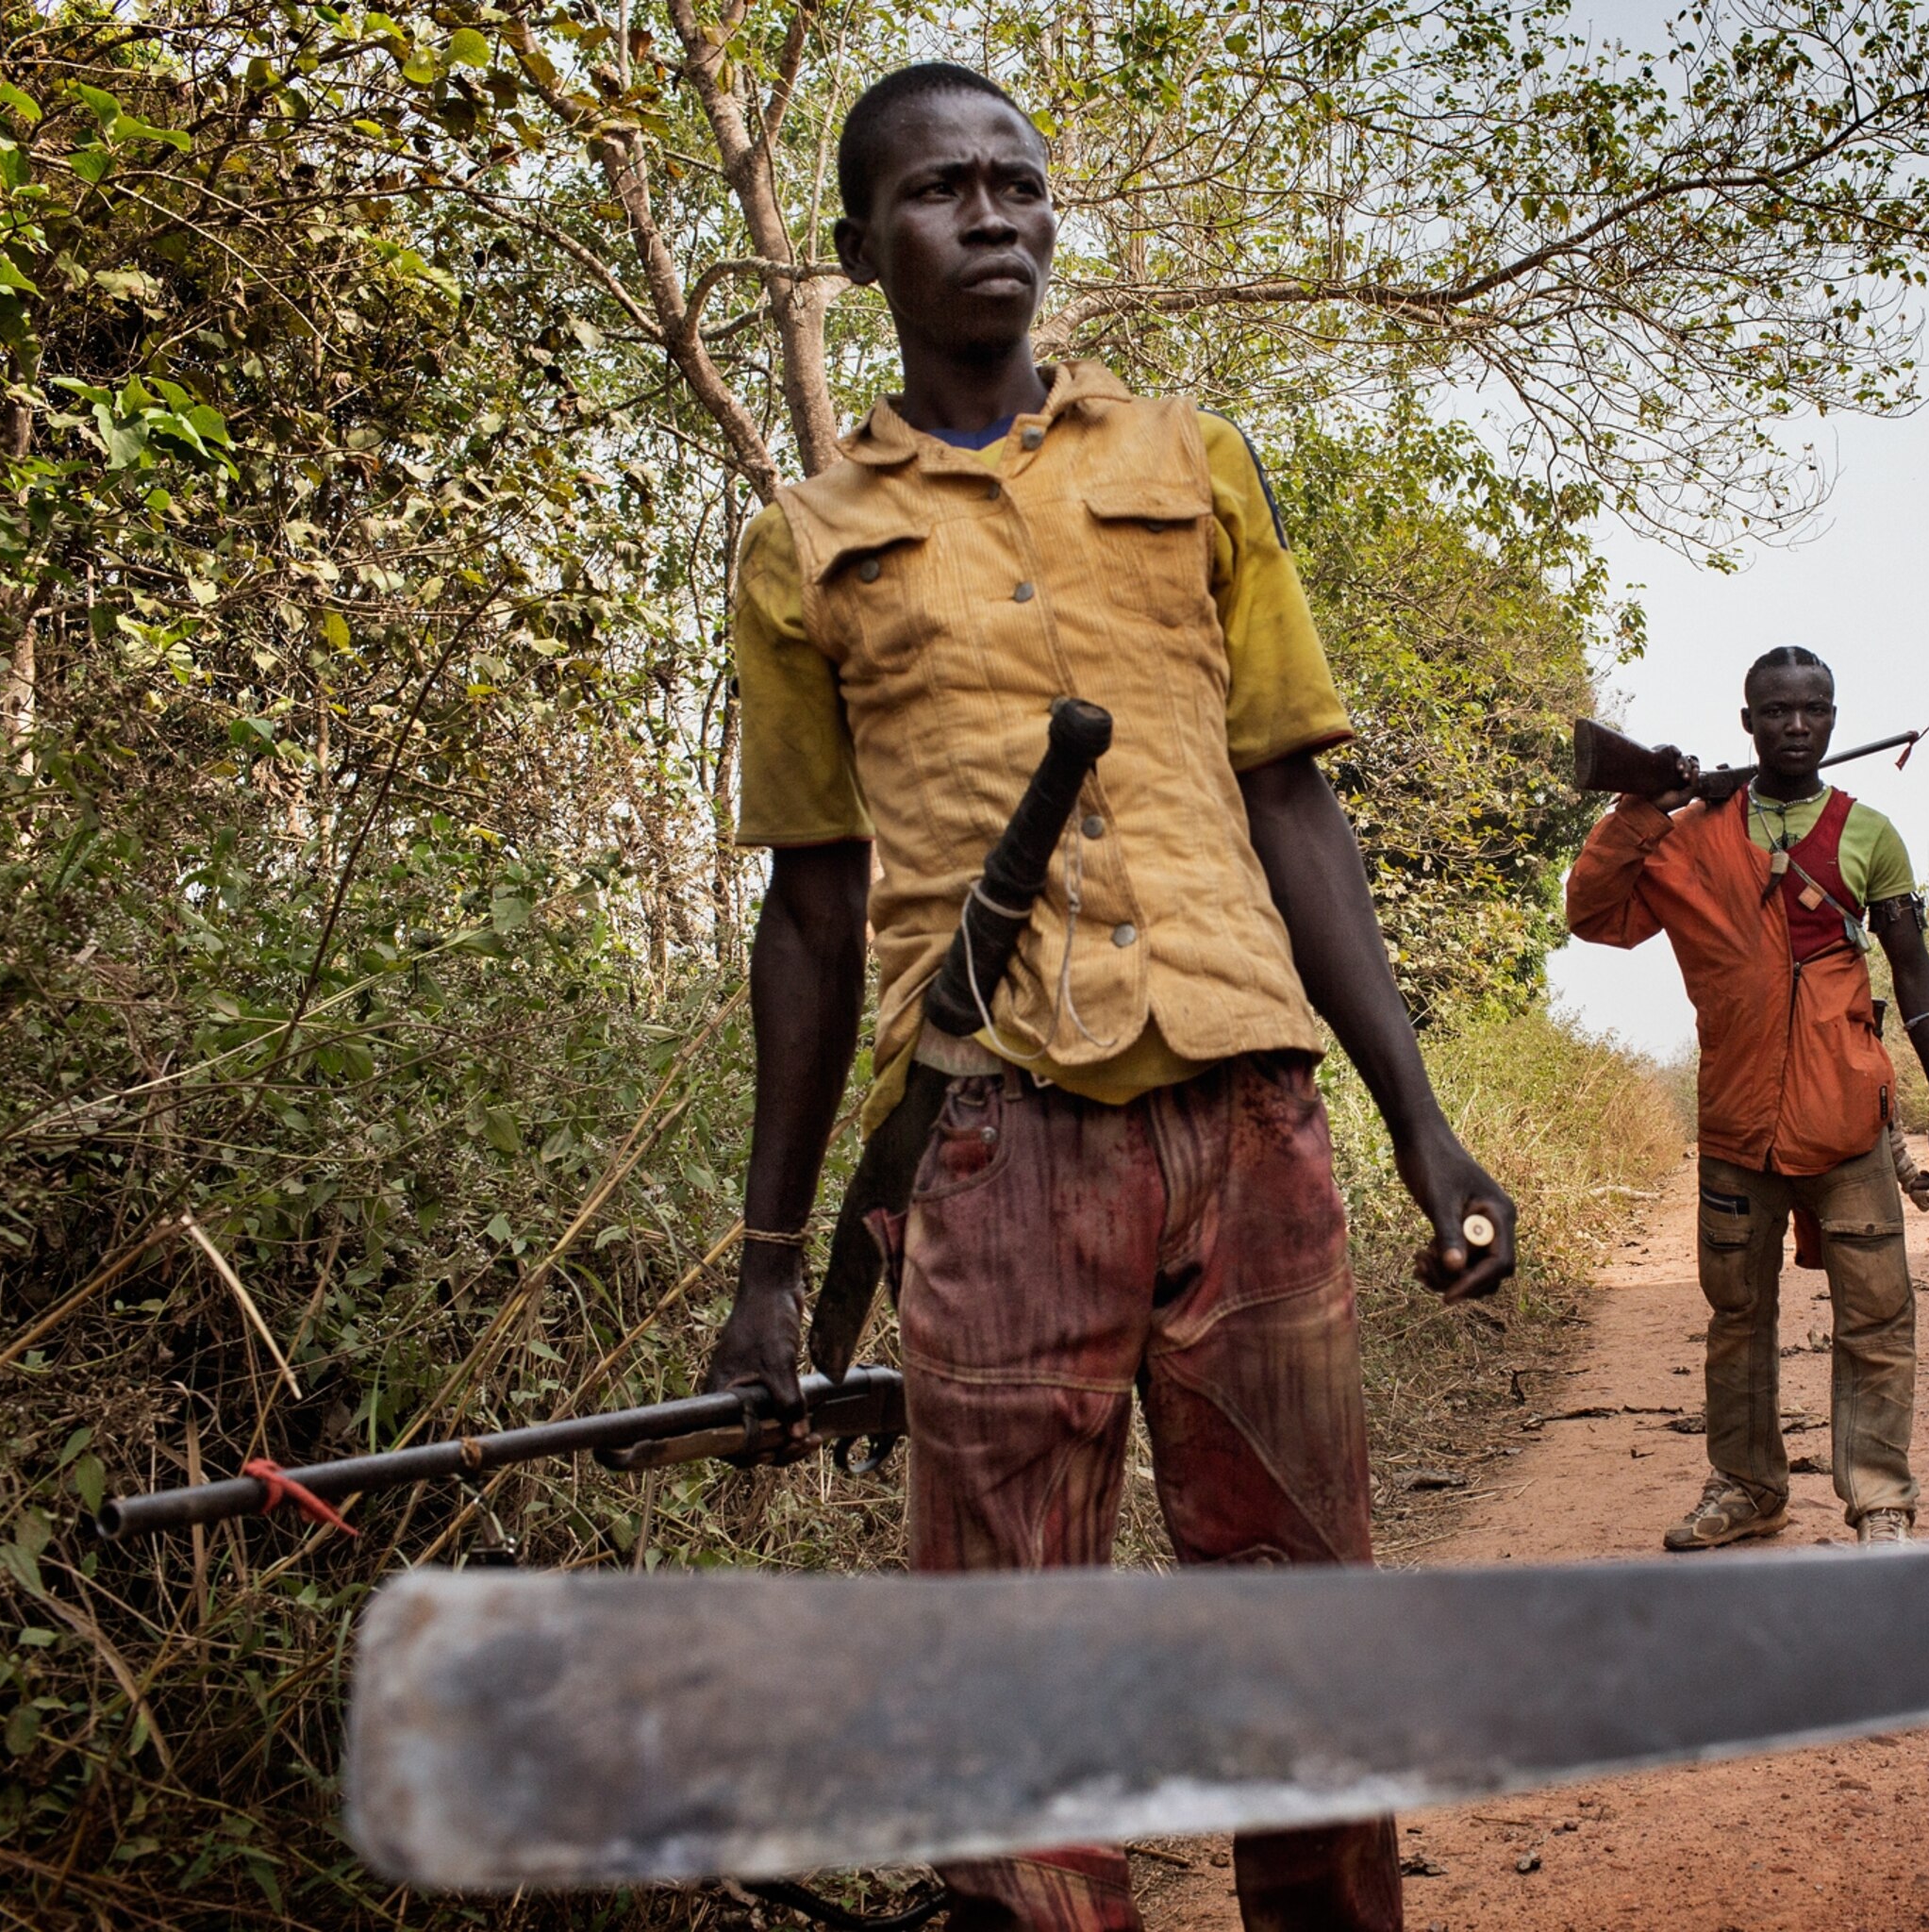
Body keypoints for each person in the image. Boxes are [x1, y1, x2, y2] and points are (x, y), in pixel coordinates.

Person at [700, 61, 1515, 1932]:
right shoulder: (808, 548)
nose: (992, 214)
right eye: (939, 190)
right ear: (855, 249)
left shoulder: (1190, 461)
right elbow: (811, 919)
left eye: (1017, 182)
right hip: (991, 1151)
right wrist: (765, 1263)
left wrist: (1422, 1119)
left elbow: (1292, 795)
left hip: (1253, 1121)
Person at [1565, 647, 1929, 1550]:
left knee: (1876, 1314)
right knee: (1738, 1317)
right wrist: (1647, 805)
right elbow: (1590, 914)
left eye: (1813, 710)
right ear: (1747, 723)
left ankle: (1880, 1500)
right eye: (1776, 712)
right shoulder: (1688, 835)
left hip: (1846, 1119)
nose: (1796, 726)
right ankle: (1747, 1488)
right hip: (1737, 1123)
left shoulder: (1869, 834)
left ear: (1831, 716)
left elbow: (1913, 968)